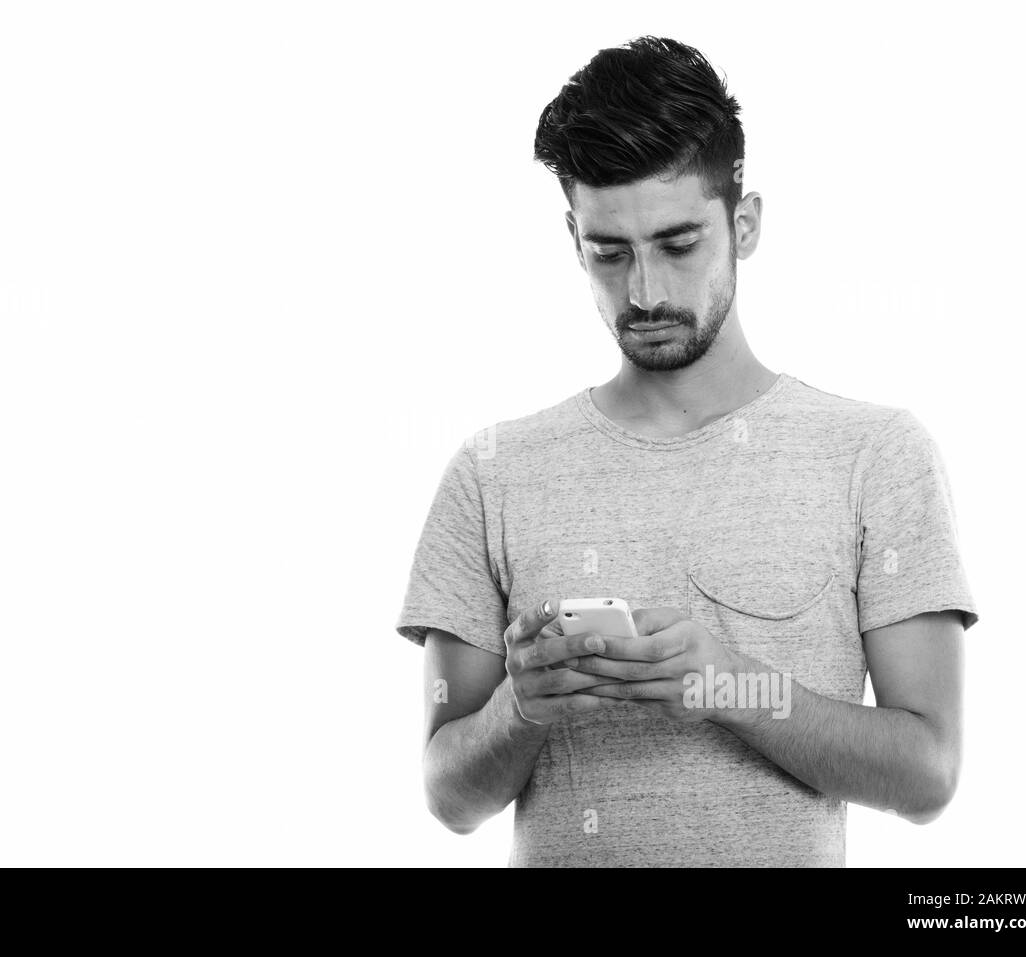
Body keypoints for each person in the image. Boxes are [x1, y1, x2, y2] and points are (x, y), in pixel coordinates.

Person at [395, 35, 978, 867]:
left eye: (677, 245)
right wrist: (521, 708)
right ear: (573, 238)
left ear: (744, 224)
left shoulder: (876, 455)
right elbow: (449, 796)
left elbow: (929, 773)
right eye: (609, 253)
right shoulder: (492, 473)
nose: (645, 293)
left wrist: (729, 683)